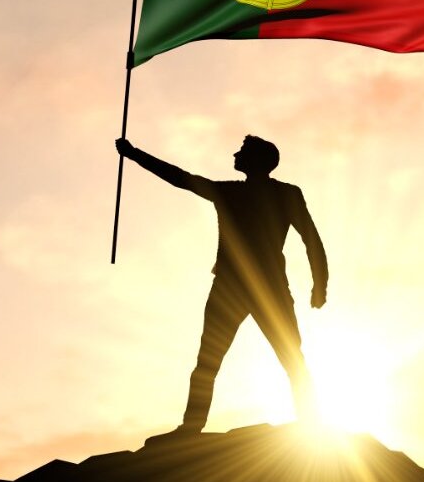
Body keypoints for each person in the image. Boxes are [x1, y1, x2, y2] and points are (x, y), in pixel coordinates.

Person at [116, 134, 327, 435]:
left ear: (256, 160)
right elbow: (182, 179)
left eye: (242, 151)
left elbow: (310, 239)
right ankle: (192, 426)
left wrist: (321, 284)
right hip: (242, 286)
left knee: (285, 357)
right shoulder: (236, 192)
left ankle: (309, 423)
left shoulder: (276, 194)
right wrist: (135, 155)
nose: (235, 154)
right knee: (214, 359)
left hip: (253, 288)